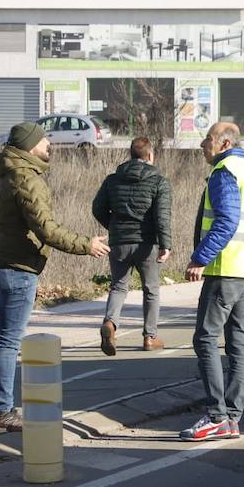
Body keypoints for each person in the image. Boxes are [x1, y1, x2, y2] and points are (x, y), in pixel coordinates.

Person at [0, 121, 109, 431]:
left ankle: (2, 408)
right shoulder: (26, 177)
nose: (49, 144)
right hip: (17, 267)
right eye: (43, 140)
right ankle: (2, 411)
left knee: (5, 339)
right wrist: (86, 245)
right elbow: (46, 229)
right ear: (29, 146)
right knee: (10, 341)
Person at [180, 122, 244, 441]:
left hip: (227, 270)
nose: (201, 145)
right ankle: (232, 417)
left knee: (205, 339)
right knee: (238, 342)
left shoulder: (225, 171)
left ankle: (216, 416)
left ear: (223, 144)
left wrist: (200, 258)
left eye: (206, 139)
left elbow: (227, 220)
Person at [92, 136, 173, 355]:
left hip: (119, 243)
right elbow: (162, 216)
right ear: (151, 155)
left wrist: (115, 227)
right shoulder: (159, 181)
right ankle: (150, 337)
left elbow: (97, 208)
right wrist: (165, 244)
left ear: (130, 155)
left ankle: (110, 324)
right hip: (147, 244)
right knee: (151, 290)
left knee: (118, 286)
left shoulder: (112, 179)